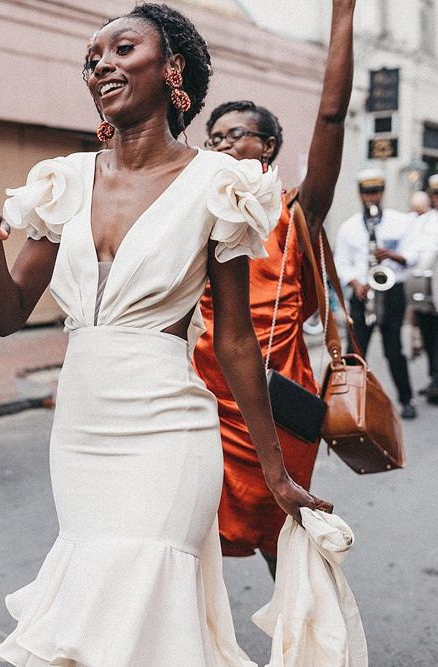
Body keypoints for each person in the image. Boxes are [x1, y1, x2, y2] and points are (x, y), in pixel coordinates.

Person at [0, 4, 331, 664]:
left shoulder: (221, 184)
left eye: (122, 48)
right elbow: (10, 314)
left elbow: (236, 340)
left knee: (145, 610)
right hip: (82, 431)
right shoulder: (59, 182)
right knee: (97, 624)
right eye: (92, 57)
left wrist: (274, 469)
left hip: (168, 429)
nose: (101, 63)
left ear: (172, 68)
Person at [193, 0, 356, 578]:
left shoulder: (296, 213)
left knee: (282, 539)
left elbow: (332, 117)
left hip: (275, 403)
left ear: (267, 147)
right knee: (186, 541)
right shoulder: (195, 216)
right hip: (198, 404)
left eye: (238, 134)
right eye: (214, 137)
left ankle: (305, 642)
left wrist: (343, 15)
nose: (223, 145)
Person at [334, 168, 417, 418]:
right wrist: (355, 283)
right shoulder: (348, 228)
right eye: (367, 193)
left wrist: (392, 255)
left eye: (376, 191)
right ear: (360, 195)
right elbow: (341, 262)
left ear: (383, 192)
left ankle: (406, 400)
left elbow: (413, 255)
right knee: (356, 351)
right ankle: (349, 405)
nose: (372, 197)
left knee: (393, 350)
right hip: (362, 295)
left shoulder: (400, 221)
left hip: (392, 293)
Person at [407, 174, 438, 402]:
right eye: (435, 194)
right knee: (429, 338)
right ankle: (434, 378)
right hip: (428, 294)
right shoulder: (425, 220)